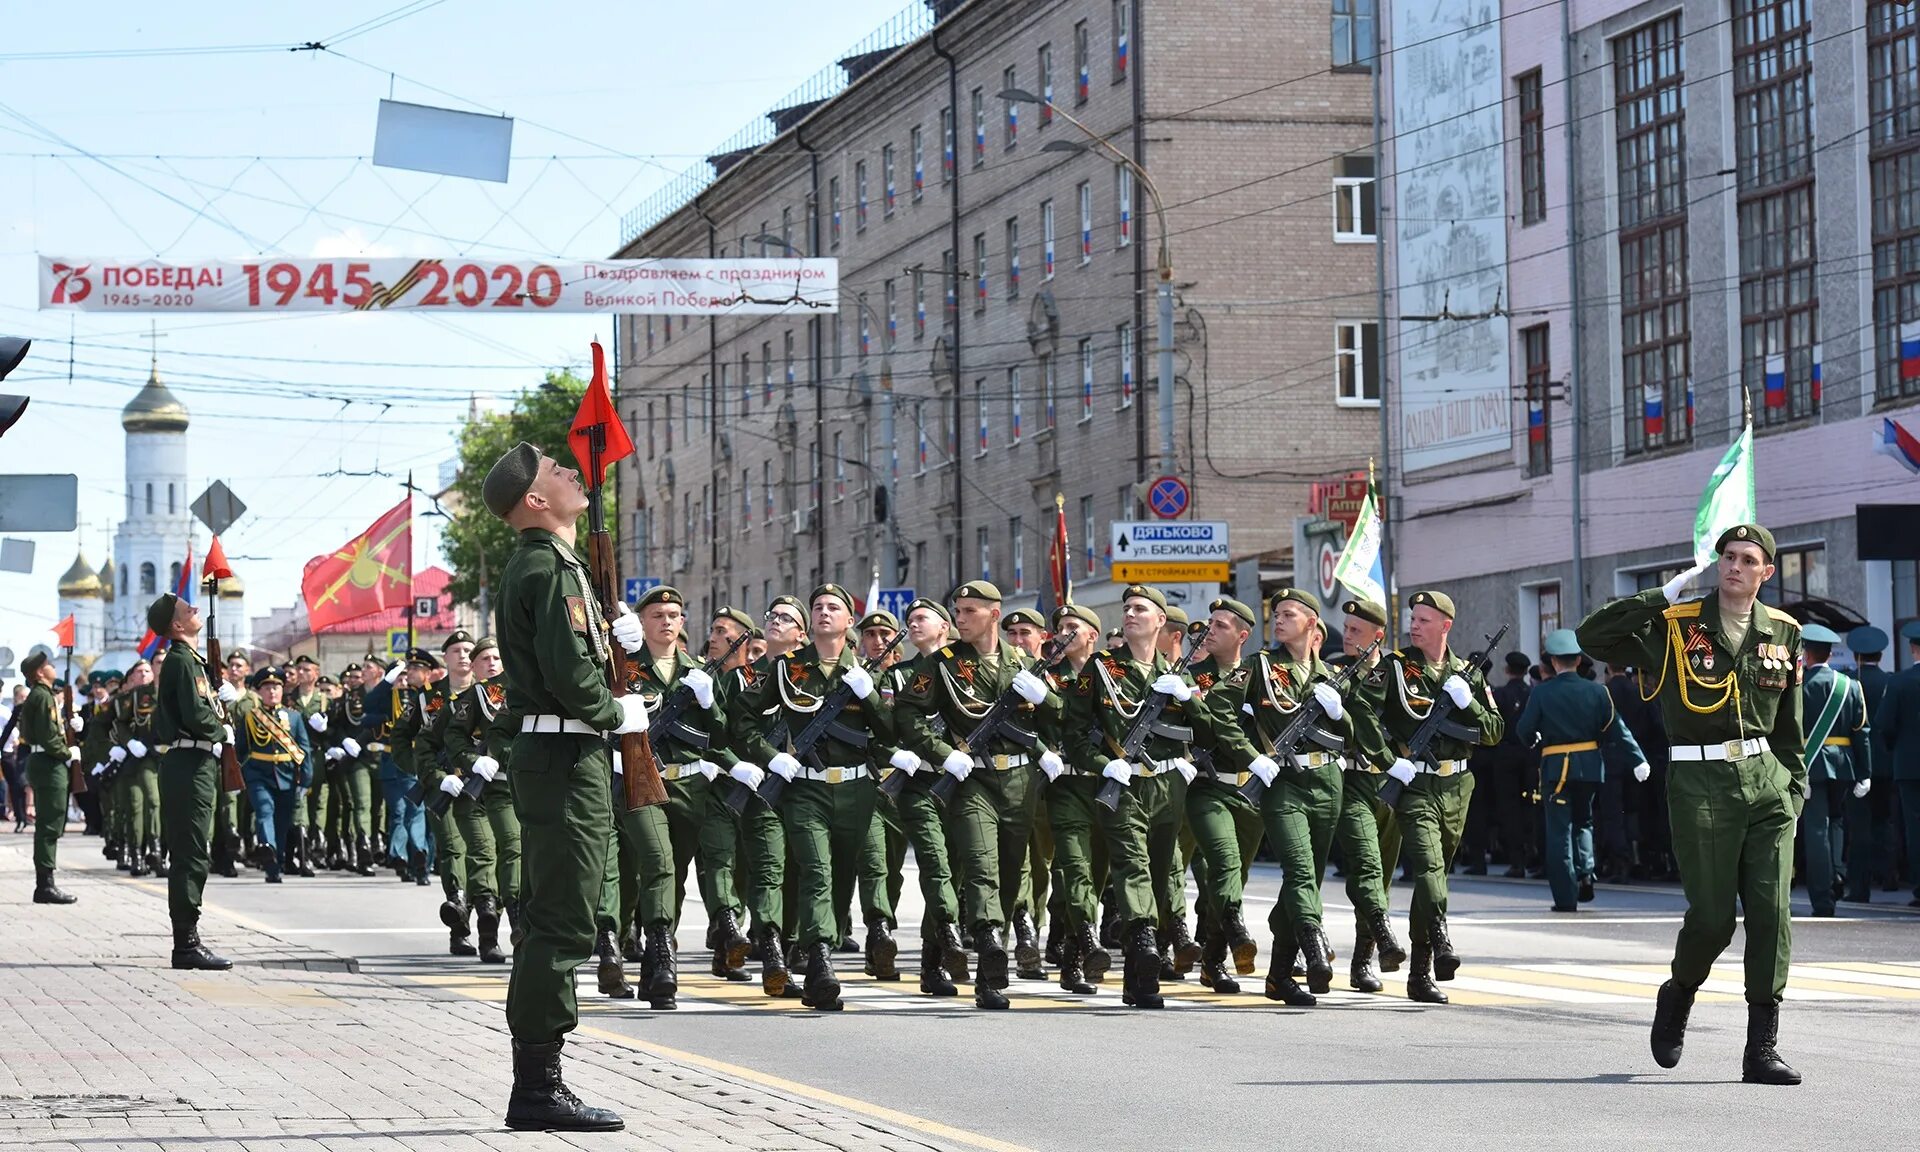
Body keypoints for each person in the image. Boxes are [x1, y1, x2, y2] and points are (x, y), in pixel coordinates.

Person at [1577, 523, 1805, 1085]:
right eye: (1727, 556)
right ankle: (1678, 994)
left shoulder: (1783, 632)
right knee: (1711, 918)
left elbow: (1791, 727)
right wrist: (1662, 595)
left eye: (1748, 559)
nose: (1734, 566)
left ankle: (1762, 1047)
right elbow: (1593, 637)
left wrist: (1793, 789)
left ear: (1765, 573)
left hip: (1767, 784)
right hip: (1699, 781)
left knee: (1773, 914)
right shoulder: (1677, 627)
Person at [484, 440, 648, 1132]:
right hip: (562, 754)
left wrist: (625, 649)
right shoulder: (547, 568)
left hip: (565, 753)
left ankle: (541, 1081)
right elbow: (566, 673)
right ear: (535, 500)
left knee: (565, 913)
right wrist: (617, 711)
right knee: (559, 919)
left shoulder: (558, 565)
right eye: (556, 471)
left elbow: (576, 656)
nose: (572, 474)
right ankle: (537, 1089)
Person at [897, 581, 1063, 1010]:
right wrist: (942, 753)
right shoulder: (944, 663)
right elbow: (908, 713)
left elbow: (1063, 718)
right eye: (957, 609)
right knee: (980, 864)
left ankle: (982, 950)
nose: (961, 617)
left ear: (994, 613)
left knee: (1010, 872)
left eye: (970, 610)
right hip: (972, 781)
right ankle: (989, 946)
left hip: (1020, 783)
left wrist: (1046, 699)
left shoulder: (1024, 664)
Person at [730, 583, 896, 1012]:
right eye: (818, 606)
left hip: (858, 789)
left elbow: (892, 732)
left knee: (841, 875)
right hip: (805, 788)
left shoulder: (866, 671)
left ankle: (822, 938)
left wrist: (871, 696)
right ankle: (820, 961)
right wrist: (771, 757)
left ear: (848, 621)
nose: (824, 612)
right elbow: (743, 720)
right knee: (816, 870)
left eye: (834, 608)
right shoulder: (788, 669)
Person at [1081, 584, 1221, 1009]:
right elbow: (1072, 730)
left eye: (1141, 608)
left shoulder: (1179, 676)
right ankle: (1142, 941)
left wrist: (1188, 700)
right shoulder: (1103, 667)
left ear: (1161, 621)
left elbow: (1212, 732)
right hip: (1122, 784)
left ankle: (1138, 978)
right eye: (1127, 608)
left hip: (1168, 786)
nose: (1130, 614)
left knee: (1162, 875)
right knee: (1132, 866)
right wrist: (1102, 764)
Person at [1376, 590, 1504, 1005]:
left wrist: (1469, 704)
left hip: (1457, 787)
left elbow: (1494, 731)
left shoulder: (1468, 674)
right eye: (1413, 618)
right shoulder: (1396, 668)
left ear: (1445, 626)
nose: (1414, 625)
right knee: (1429, 869)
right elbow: (1364, 717)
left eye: (1424, 620)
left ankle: (1419, 972)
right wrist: (1389, 759)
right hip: (1414, 784)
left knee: (1437, 877)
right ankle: (1442, 939)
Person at [1513, 630, 1647, 912]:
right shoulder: (1598, 691)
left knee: (1560, 830)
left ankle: (1565, 896)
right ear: (1577, 660)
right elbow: (1617, 729)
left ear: (1553, 662)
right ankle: (1586, 871)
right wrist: (1637, 760)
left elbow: (1524, 730)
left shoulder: (1542, 692)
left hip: (1556, 769)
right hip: (1589, 767)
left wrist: (1534, 739)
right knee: (1584, 821)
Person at [878, 597, 970, 997]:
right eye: (910, 618)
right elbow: (885, 726)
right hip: (918, 783)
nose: (912, 623)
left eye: (921, 618)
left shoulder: (963, 670)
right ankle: (950, 931)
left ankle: (933, 964)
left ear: (944, 628)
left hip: (963, 783)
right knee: (935, 863)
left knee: (959, 867)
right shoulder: (897, 677)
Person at [147, 592, 234, 970]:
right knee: (191, 853)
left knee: (198, 849)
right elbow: (198, 716)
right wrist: (222, 728)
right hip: (189, 761)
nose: (195, 608)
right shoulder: (182, 661)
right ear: (177, 625)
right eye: (187, 609)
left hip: (196, 759)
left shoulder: (192, 661)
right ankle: (186, 944)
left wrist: (221, 696)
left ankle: (188, 939)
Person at [1327, 597, 1406, 993]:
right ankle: (1384, 937)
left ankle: (1362, 960)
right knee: (1366, 865)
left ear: (1378, 637)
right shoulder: (1335, 673)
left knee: (1383, 875)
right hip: (1353, 782)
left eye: (1356, 630)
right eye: (1346, 627)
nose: (1347, 635)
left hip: (1392, 786)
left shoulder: (1399, 673)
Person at [1042, 602, 1112, 995]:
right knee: (1074, 868)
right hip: (1065, 786)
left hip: (1104, 785)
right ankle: (1088, 937)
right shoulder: (1048, 679)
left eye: (1073, 626)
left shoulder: (1111, 676)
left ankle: (1072, 961)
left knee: (1097, 874)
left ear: (1092, 636)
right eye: (1060, 627)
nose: (1064, 632)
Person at [444, 634, 522, 963]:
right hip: (473, 791)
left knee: (512, 853)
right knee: (483, 853)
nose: (492, 664)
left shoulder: (522, 689)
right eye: (485, 658)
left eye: (497, 658)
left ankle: (509, 918)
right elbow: (442, 738)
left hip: (516, 786)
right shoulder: (469, 697)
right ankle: (487, 927)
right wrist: (466, 764)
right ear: (473, 666)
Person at [1797, 624, 1869, 918]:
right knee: (1837, 823)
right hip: (1843, 764)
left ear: (1807, 654)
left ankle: (1823, 898)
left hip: (1810, 764)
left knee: (1816, 830)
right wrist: (1865, 772)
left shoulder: (1799, 688)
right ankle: (1838, 875)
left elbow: (1788, 733)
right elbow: (1861, 731)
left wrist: (1795, 771)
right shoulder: (1850, 685)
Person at [232, 666, 313, 883]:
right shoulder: (251, 717)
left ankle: (275, 863)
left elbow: (304, 749)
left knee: (282, 821)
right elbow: (240, 750)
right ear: (259, 691)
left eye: (276, 686)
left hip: (286, 776)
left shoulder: (294, 718)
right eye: (267, 687)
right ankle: (267, 849)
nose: (272, 691)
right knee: (265, 810)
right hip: (258, 774)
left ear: (282, 690)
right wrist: (239, 775)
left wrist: (306, 778)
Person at [17, 651, 80, 904]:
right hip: (48, 763)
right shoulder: (42, 697)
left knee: (51, 824)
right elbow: (47, 735)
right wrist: (67, 753)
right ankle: (45, 885)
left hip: (46, 761)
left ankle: (45, 882)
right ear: (40, 673)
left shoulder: (44, 696)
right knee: (49, 825)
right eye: (48, 665)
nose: (53, 667)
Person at [1843, 627, 1893, 903]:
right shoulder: (1890, 681)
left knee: (1858, 826)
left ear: (1856, 655)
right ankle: (1889, 877)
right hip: (1886, 763)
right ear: (1881, 655)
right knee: (1885, 822)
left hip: (1857, 763)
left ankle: (1859, 887)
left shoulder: (1849, 681)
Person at [1875, 622, 1920, 908]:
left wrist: (1897, 750)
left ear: (1913, 648)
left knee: (1915, 828)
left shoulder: (1900, 682)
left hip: (1909, 766)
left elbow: (1884, 724)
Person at [111, 658, 166, 878]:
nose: (160, 667)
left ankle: (161, 855)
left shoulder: (176, 691)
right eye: (157, 662)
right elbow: (116, 723)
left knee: (166, 808)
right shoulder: (135, 696)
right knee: (145, 804)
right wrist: (128, 743)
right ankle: (144, 853)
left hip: (171, 756)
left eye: (165, 662)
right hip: (143, 758)